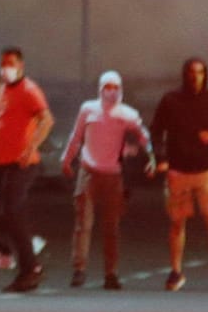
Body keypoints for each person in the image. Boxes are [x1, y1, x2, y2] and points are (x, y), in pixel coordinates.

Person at [61, 71, 153, 290]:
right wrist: (66, 159)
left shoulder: (127, 114)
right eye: (107, 87)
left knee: (111, 227)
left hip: (113, 175)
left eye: (115, 87)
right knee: (83, 224)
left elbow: (143, 136)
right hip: (88, 171)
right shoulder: (88, 109)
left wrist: (151, 156)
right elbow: (76, 136)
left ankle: (111, 273)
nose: (111, 91)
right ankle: (79, 269)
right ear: (100, 88)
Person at [152, 58, 208, 292]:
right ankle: (176, 271)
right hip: (178, 169)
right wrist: (162, 159)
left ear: (204, 75)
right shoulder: (171, 100)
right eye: (191, 72)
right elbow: (156, 129)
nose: (195, 77)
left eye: (199, 73)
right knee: (177, 222)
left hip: (206, 169)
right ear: (184, 74)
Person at [0, 47, 53, 293]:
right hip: (3, 164)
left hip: (21, 164)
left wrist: (30, 148)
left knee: (12, 212)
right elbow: (1, 128)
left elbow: (46, 119)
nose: (6, 68)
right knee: (5, 214)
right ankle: (28, 259)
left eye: (11, 63)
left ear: (21, 66)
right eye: (3, 63)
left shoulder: (29, 90)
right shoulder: (4, 91)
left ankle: (30, 268)